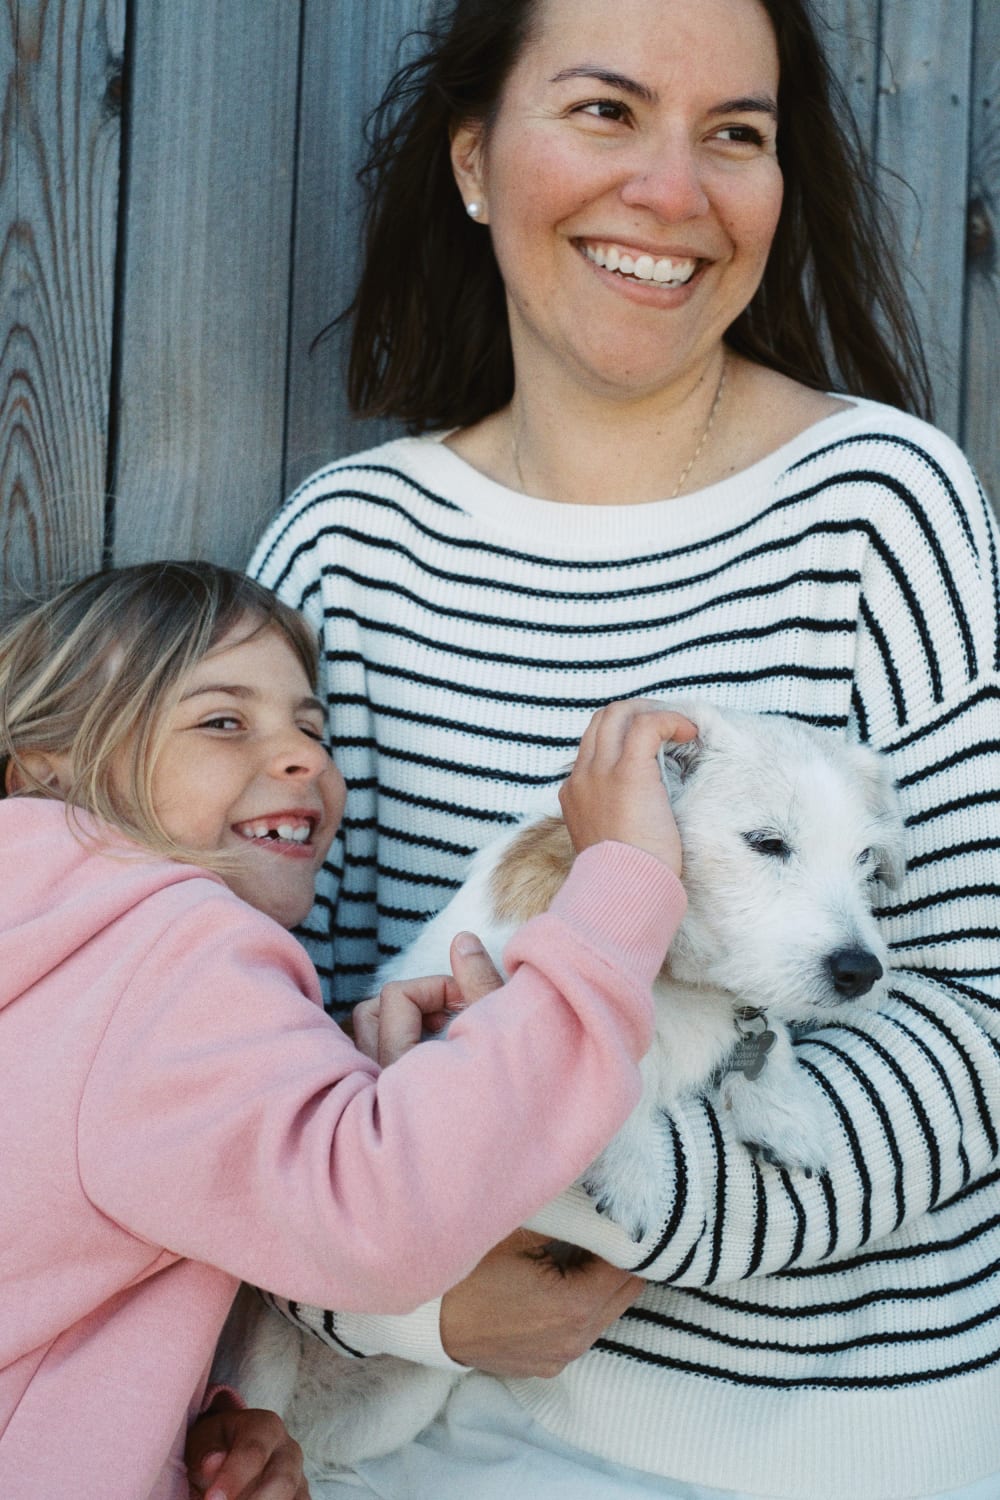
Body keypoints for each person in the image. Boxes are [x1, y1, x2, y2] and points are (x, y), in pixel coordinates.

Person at [248, 0, 1000, 1495]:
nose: (674, 190)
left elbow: (979, 1017)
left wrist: (622, 1199)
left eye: (737, 133)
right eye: (605, 111)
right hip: (421, 1442)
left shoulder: (885, 510)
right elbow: (233, 1040)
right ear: (473, 158)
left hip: (845, 1450)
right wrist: (414, 1298)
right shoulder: (345, 556)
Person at [0, 559, 694, 1500]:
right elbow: (376, 1219)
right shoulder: (171, 945)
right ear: (50, 775)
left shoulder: (50, 947)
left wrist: (171, 1432)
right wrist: (616, 891)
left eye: (310, 727)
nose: (303, 759)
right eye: (222, 721)